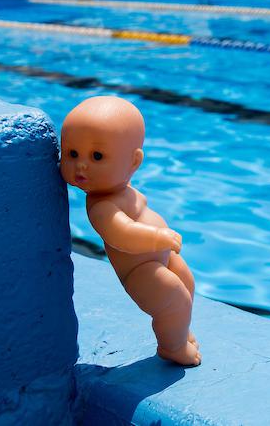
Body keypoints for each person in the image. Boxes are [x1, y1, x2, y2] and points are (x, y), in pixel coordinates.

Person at [61, 96, 200, 366]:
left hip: (158, 257)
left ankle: (178, 332)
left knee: (187, 284)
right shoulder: (102, 205)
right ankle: (172, 347)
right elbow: (121, 234)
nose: (81, 165)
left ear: (134, 162)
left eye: (97, 156)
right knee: (174, 298)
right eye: (71, 154)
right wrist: (158, 237)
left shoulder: (120, 190)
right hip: (140, 272)